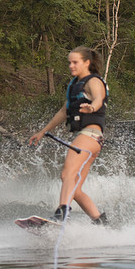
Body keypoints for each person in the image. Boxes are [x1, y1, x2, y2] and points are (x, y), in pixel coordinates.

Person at [28, 46, 109, 225]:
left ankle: (61, 213)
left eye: (75, 62)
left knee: (67, 175)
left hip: (90, 134)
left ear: (87, 63)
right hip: (92, 139)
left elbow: (98, 98)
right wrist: (43, 131)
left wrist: (92, 107)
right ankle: (101, 223)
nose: (71, 66)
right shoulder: (75, 85)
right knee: (76, 189)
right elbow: (64, 112)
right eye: (69, 63)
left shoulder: (93, 81)